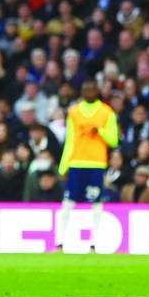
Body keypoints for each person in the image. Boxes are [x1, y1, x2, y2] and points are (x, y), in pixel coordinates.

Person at [56, 79, 119, 252]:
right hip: (76, 162)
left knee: (96, 203)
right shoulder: (74, 113)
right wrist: (63, 166)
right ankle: (60, 242)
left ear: (97, 91)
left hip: (96, 163)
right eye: (85, 89)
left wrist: (99, 130)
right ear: (81, 92)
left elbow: (113, 139)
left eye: (92, 89)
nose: (88, 92)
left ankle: (94, 243)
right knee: (68, 201)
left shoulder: (106, 112)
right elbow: (70, 141)